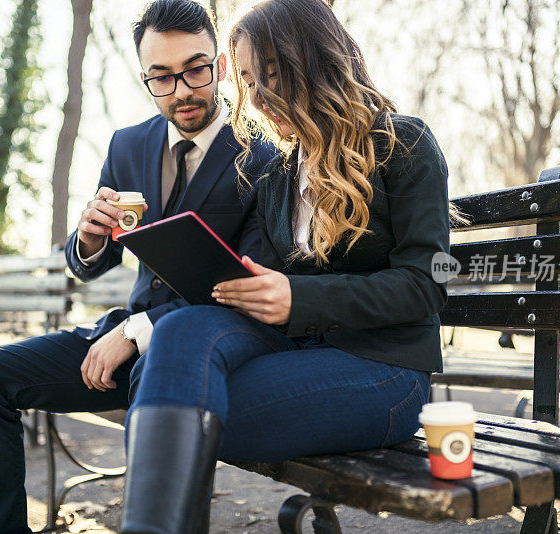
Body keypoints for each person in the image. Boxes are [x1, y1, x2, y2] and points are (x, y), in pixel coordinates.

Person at [118, 0, 458, 532]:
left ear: (316, 60)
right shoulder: (278, 172)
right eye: (248, 80)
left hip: (385, 372)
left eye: (271, 74)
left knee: (163, 395)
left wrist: (300, 299)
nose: (256, 97)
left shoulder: (403, 143)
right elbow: (270, 285)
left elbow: (426, 286)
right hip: (299, 352)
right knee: (179, 335)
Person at [0, 1, 276, 532]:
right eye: (161, 78)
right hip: (120, 333)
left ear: (219, 65)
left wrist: (138, 330)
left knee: (157, 381)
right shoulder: (128, 145)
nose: (182, 91)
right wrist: (90, 236)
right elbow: (88, 266)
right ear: (145, 77)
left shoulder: (263, 152)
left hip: (203, 350)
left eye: (195, 69)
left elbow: (249, 284)